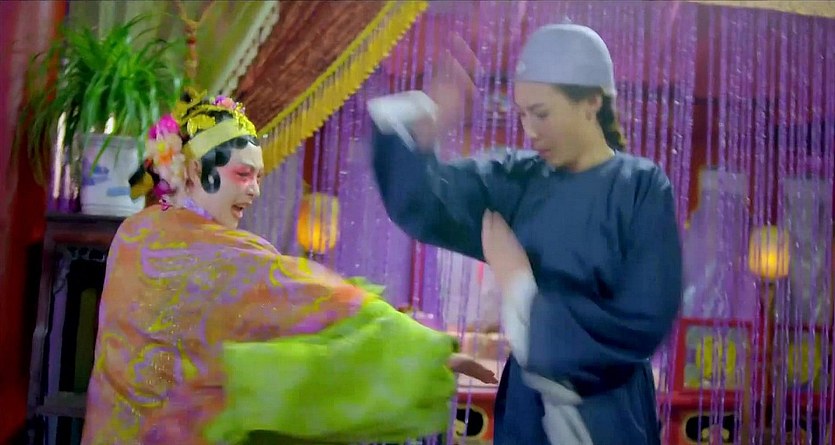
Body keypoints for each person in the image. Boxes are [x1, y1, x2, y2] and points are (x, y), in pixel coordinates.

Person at [81, 89, 496, 445]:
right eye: (243, 174)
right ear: (192, 170)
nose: (254, 190)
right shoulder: (231, 255)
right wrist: (426, 352)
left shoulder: (134, 233)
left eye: (258, 177)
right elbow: (326, 301)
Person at [368, 24, 682, 444]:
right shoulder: (517, 180)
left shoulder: (640, 188)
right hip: (527, 409)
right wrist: (419, 130)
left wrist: (520, 288)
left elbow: (643, 320)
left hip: (609, 411)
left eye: (542, 113)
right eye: (522, 114)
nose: (530, 129)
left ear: (592, 102)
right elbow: (425, 206)